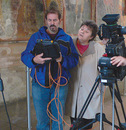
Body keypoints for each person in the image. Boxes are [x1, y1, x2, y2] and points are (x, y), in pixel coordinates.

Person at [21, 2, 78, 130]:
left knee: (58, 120)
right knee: (42, 121)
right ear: (46, 20)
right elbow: (24, 55)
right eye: (50, 20)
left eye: (55, 20)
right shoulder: (36, 37)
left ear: (59, 20)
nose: (52, 23)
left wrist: (62, 59)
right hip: (40, 84)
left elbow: (74, 60)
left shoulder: (67, 39)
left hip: (60, 84)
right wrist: (34, 60)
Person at [65, 20, 105, 129]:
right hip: (73, 92)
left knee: (86, 125)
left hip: (90, 93)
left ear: (91, 37)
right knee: (74, 122)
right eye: (81, 29)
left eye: (87, 31)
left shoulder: (98, 49)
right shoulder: (69, 44)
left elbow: (103, 70)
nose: (82, 32)